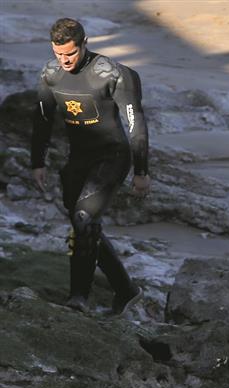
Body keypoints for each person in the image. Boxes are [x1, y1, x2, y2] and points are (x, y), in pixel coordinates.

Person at [30, 18, 150, 315]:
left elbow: (136, 125)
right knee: (83, 225)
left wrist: (141, 171)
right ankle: (126, 290)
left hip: (112, 156)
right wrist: (37, 162)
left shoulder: (113, 74)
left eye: (70, 54)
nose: (65, 60)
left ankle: (79, 298)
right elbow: (42, 120)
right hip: (79, 158)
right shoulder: (50, 74)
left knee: (84, 217)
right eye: (59, 54)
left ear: (85, 43)